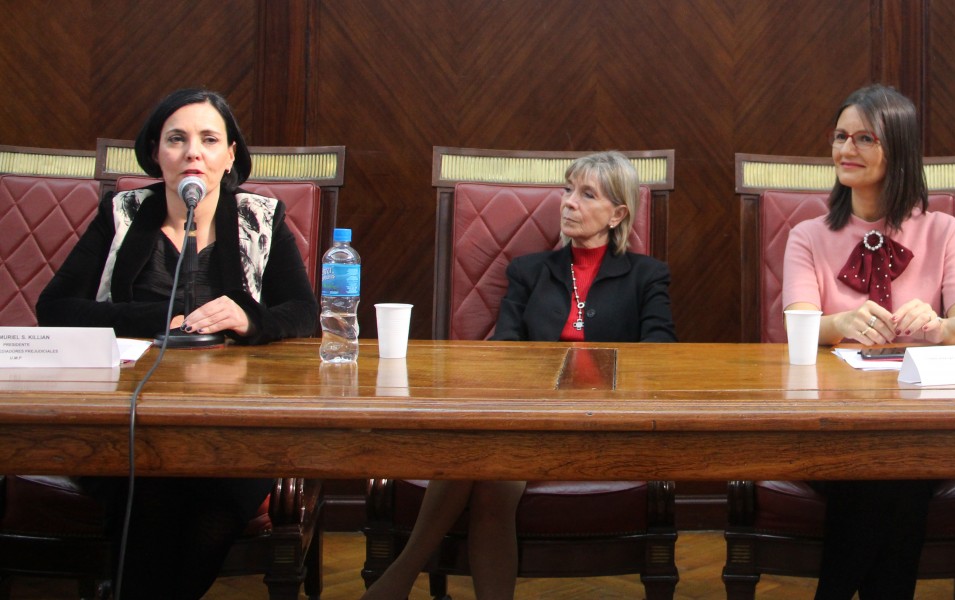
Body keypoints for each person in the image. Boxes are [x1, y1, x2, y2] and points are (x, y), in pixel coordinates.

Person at [35, 88, 318, 598]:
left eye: (209, 139)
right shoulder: (121, 213)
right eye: (177, 139)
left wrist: (248, 320)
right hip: (126, 417)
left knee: (209, 500)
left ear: (230, 155)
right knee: (150, 493)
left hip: (232, 426)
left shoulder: (261, 218)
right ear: (155, 153)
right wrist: (160, 318)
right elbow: (54, 309)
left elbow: (303, 315)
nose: (193, 152)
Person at [361, 151, 675, 600]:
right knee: (488, 469)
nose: (568, 202)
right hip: (531, 417)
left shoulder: (647, 276)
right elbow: (504, 352)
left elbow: (661, 356)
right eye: (567, 190)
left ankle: (397, 579)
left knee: (487, 462)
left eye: (587, 194)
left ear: (618, 214)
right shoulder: (529, 271)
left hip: (604, 422)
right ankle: (403, 578)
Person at [782, 84, 955, 599]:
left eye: (864, 138)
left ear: (898, 150)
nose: (845, 150)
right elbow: (799, 323)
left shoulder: (943, 230)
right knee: (888, 472)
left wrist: (939, 327)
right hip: (833, 425)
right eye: (840, 137)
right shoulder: (807, 236)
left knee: (896, 463)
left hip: (923, 422)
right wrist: (841, 323)